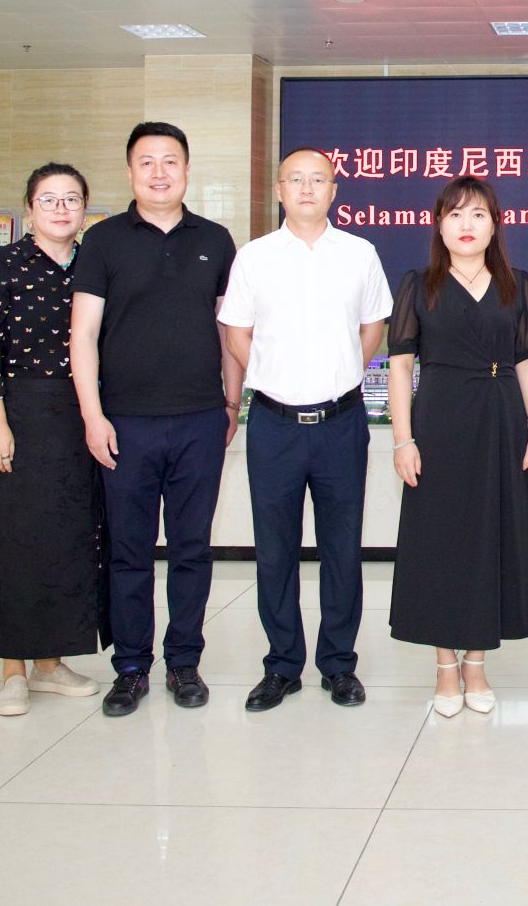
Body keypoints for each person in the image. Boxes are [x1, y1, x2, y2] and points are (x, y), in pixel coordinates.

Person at [70, 122, 240, 718]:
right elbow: (82, 335)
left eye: (170, 161)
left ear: (187, 171)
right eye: (147, 162)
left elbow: (228, 329)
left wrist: (231, 402)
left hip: (199, 419)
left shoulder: (215, 240)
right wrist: (93, 416)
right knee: (129, 550)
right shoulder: (103, 241)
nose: (159, 172)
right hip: (125, 422)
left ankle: (184, 662)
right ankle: (131, 667)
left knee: (192, 548)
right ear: (130, 172)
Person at [219, 148, 392, 713]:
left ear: (334, 190)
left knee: (343, 548)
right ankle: (282, 665)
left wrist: (338, 374)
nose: (307, 188)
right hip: (274, 423)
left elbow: (373, 327)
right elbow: (236, 332)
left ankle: (339, 664)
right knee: (275, 550)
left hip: (342, 422)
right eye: (296, 179)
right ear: (279, 190)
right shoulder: (255, 257)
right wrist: (274, 376)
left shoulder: (360, 253)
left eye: (319, 179)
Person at [386, 175, 528, 716]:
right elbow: (401, 366)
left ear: (495, 225)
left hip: (501, 419)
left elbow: (526, 360)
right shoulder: (418, 284)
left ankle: (476, 663)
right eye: (455, 215)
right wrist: (403, 439)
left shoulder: (518, 284)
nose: (467, 225)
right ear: (439, 225)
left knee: (491, 537)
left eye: (478, 214)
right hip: (439, 421)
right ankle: (445, 668)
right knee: (439, 540)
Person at [0, 163, 108, 716]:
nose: (61, 209)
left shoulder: (94, 264)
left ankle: (51, 663)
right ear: (29, 209)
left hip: (81, 414)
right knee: (14, 539)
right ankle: (12, 670)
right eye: (49, 199)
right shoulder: (2, 265)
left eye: (72, 199)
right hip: (20, 413)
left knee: (68, 539)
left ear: (86, 209)